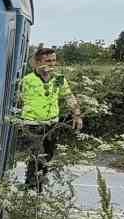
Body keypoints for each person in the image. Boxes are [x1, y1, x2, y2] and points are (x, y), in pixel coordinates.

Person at [19, 46, 83, 192]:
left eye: (54, 61)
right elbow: (17, 99)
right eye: (48, 61)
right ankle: (31, 189)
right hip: (32, 125)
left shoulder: (59, 79)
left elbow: (69, 96)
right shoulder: (27, 80)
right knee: (38, 157)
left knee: (47, 158)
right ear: (37, 62)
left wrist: (77, 115)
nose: (52, 64)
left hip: (52, 125)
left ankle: (36, 187)